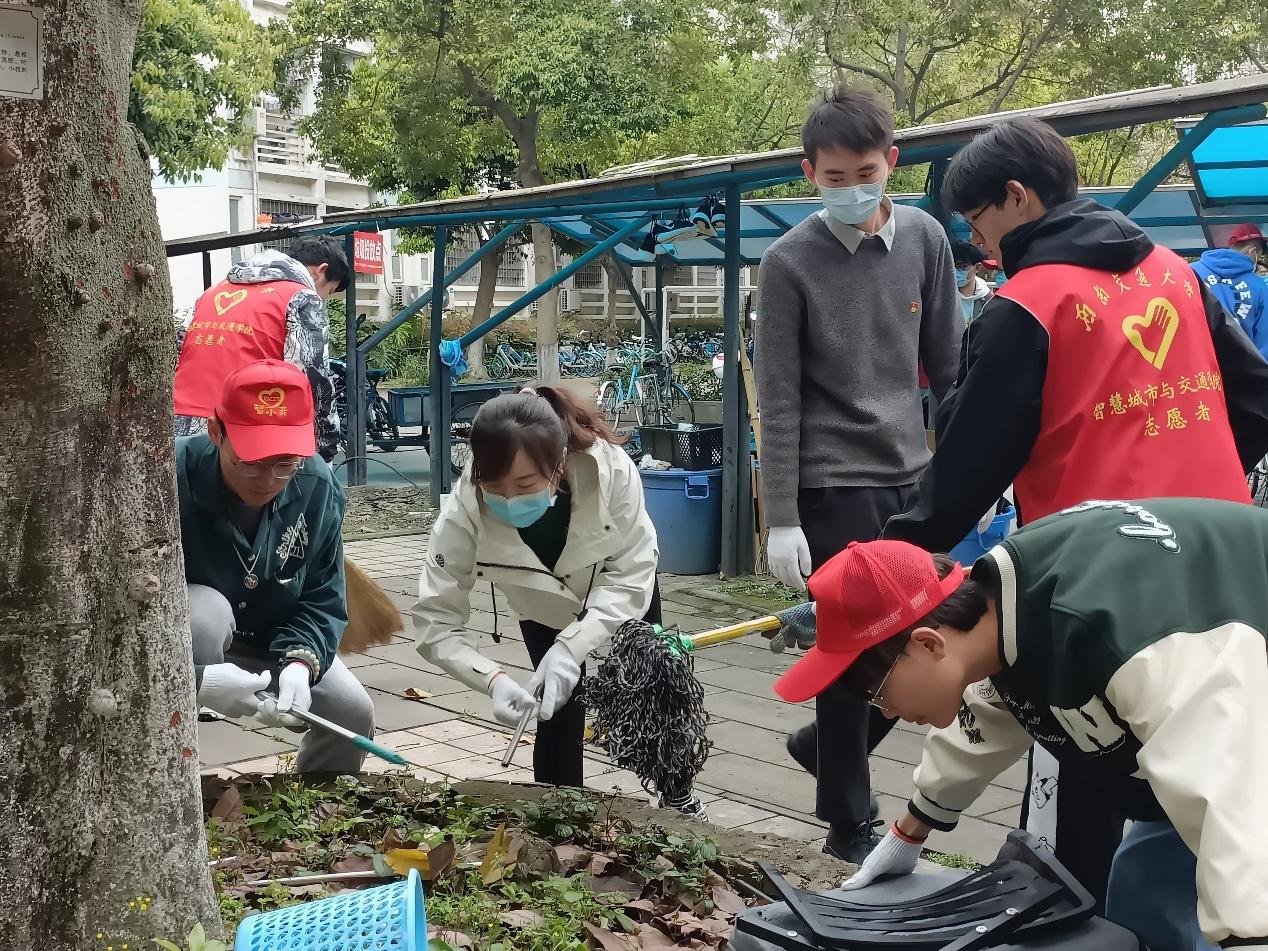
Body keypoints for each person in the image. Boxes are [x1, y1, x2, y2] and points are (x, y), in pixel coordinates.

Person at [882, 116, 1268, 909]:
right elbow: (1257, 398)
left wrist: (889, 561)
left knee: (1073, 774)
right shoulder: (1175, 274)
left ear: (1016, 197)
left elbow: (964, 468)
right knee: (1214, 763)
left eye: (979, 220)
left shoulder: (1028, 303)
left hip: (1084, 583)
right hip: (1220, 560)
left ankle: (1065, 919)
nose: (980, 242)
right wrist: (1199, 481)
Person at [775, 498, 1268, 951]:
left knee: (1233, 907)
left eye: (877, 692)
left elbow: (1229, 795)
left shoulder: (1130, 640)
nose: (883, 711)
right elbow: (990, 709)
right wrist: (911, 830)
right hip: (1211, 718)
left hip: (1241, 727)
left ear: (928, 644)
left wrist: (1247, 929)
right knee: (1141, 898)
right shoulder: (1002, 606)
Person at [755, 86, 962, 861]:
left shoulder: (926, 240)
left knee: (924, 636)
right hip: (831, 483)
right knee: (849, 656)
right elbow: (778, 397)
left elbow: (950, 367)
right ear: (809, 172)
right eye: (834, 177)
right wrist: (781, 516)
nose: (850, 189)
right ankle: (849, 822)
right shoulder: (787, 263)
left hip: (912, 474)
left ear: (891, 162)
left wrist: (974, 470)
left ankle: (821, 748)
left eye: (865, 173)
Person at [409, 385, 704, 815]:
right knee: (556, 708)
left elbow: (632, 572)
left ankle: (678, 796)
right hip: (542, 603)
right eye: (494, 487)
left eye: (526, 484)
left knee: (655, 687)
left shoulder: (611, 470)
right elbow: (435, 621)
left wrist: (573, 646)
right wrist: (491, 679)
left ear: (560, 461)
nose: (509, 500)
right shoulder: (463, 510)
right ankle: (560, 813)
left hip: (617, 589)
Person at [183, 359, 374, 773]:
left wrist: (299, 665)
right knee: (204, 615)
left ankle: (321, 803)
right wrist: (194, 680)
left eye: (285, 462)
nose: (268, 479)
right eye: (250, 461)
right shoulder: (169, 476)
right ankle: (175, 782)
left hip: (273, 634)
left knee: (351, 712)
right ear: (216, 432)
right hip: (187, 638)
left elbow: (323, 599)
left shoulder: (318, 486)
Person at [174, 235, 350, 461]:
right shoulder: (301, 297)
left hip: (181, 432)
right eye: (330, 291)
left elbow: (179, 351)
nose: (323, 298)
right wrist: (324, 446)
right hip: (245, 436)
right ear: (320, 271)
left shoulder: (211, 293)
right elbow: (313, 378)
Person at [1192, 223, 1268, 360]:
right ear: (1254, 252)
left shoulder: (1191, 271)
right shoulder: (1259, 287)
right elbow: (1264, 345)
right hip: (1239, 367)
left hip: (1197, 364)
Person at [951, 239, 992, 322]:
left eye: (960, 266)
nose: (954, 271)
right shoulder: (940, 296)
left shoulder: (988, 299)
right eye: (950, 265)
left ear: (977, 267)